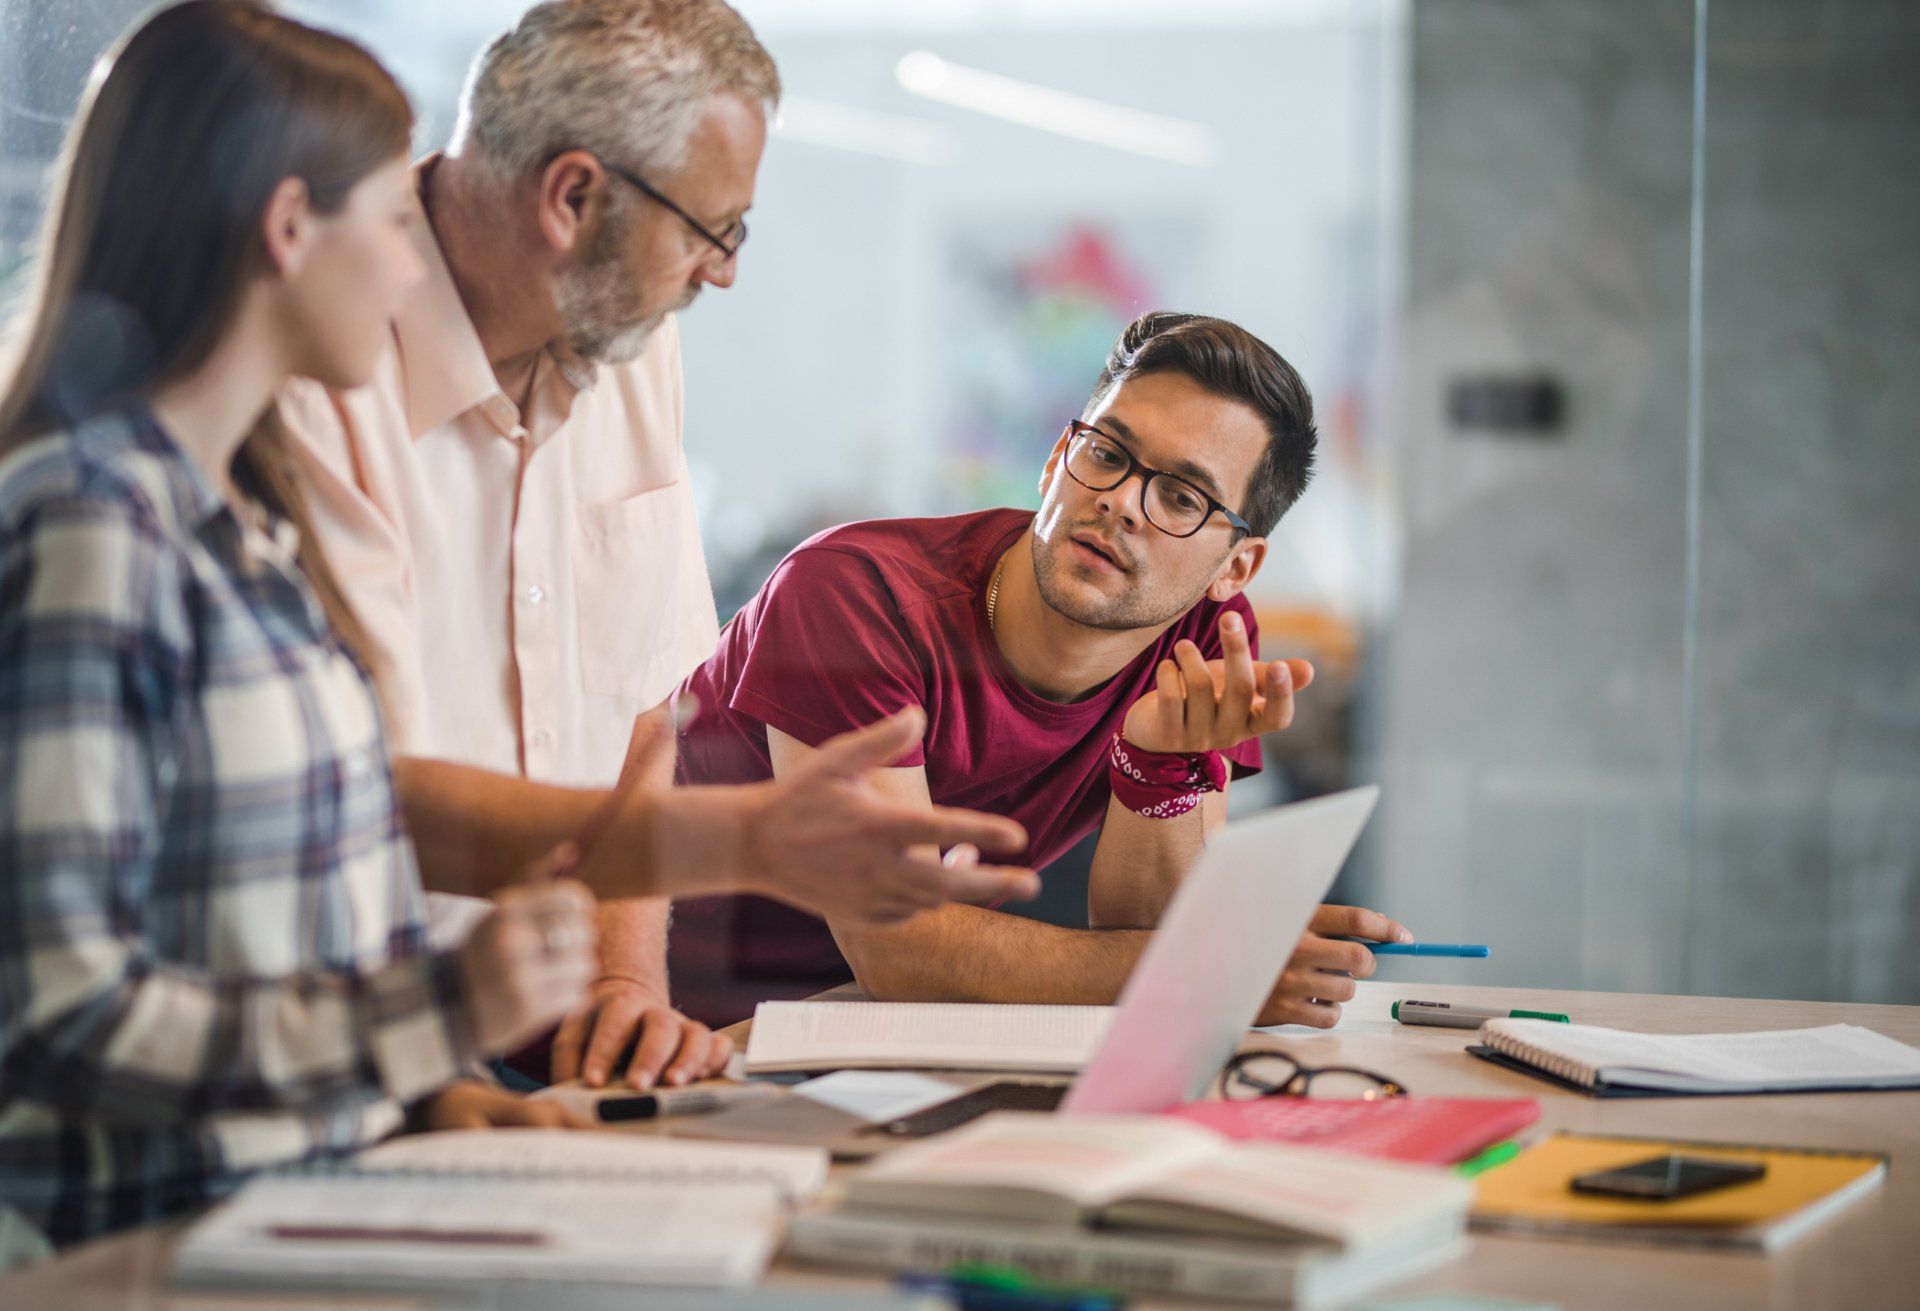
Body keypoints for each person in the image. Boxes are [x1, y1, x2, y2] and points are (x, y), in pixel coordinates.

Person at [274, 0, 1035, 1094]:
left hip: (543, 1033)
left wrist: (628, 986)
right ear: (572, 196)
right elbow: (359, 796)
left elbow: (641, 715)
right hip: (360, 1039)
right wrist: (739, 838)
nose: (721, 273)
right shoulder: (318, 362)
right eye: (709, 231)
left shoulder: (628, 342)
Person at [0, 1, 603, 1249]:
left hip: (297, 1223)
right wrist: (438, 1010)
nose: (403, 270)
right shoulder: (90, 534)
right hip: (140, 1255)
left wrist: (433, 1099)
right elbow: (60, 1012)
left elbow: (278, 949)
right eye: (391, 221)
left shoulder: (252, 530)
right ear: (287, 229)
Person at [672, 312, 1413, 1027]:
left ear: (1235, 566)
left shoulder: (1203, 642)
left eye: (1181, 498)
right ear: (1058, 458)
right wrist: (1216, 971)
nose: (1121, 501)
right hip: (661, 1025)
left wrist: (1158, 763)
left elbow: (1148, 931)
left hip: (876, 1035)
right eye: (1107, 453)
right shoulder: (855, 594)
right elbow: (899, 946)